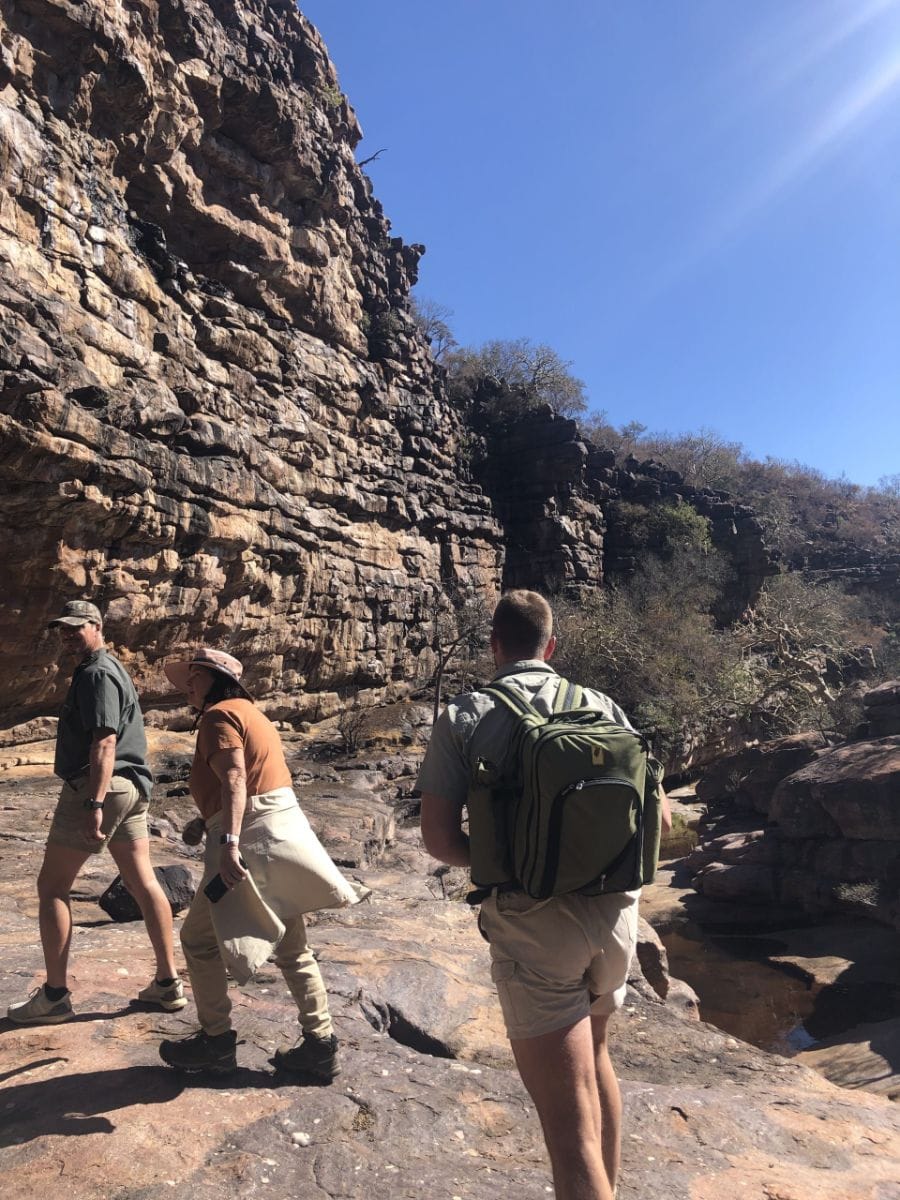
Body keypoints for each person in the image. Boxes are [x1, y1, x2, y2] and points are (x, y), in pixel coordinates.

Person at [417, 589, 670, 1200]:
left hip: (535, 925)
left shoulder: (467, 714)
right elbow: (658, 819)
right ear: (551, 647)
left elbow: (440, 841)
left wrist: (512, 861)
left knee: (567, 1129)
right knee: (597, 1059)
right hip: (615, 914)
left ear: (494, 646)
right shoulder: (601, 704)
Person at [158, 647, 360, 1078]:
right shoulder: (254, 715)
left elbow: (235, 779)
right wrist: (204, 820)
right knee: (293, 946)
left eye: (195, 676)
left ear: (217, 681)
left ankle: (216, 1041)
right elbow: (253, 781)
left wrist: (228, 842)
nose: (188, 684)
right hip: (280, 834)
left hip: (247, 839)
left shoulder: (218, 716)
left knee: (199, 940)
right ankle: (320, 1043)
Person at [8, 600, 185, 1025]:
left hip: (102, 786)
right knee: (142, 881)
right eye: (63, 629)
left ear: (97, 626)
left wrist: (95, 803)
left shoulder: (96, 673)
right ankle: (168, 983)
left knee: (52, 886)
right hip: (133, 787)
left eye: (76, 628)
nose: (68, 635)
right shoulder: (110, 668)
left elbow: (104, 742)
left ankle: (54, 996)